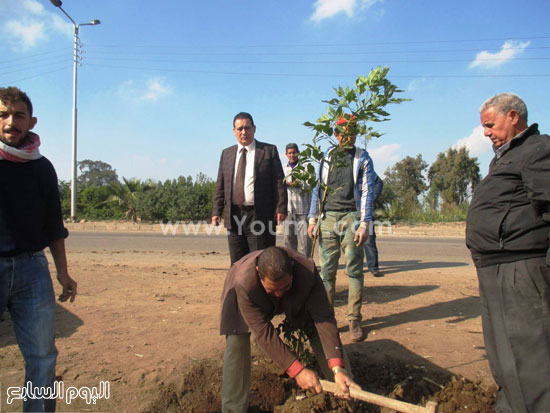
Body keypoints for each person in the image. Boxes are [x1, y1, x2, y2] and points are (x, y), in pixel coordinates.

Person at [466, 93, 550, 413]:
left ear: (513, 117)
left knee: (531, 360)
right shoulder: (505, 156)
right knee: (503, 358)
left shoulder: (538, 150)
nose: (485, 132)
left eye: (490, 125)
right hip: (495, 270)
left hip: (520, 269)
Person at [0, 86, 77, 412]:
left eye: (18, 115)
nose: (10, 121)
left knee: (43, 357)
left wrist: (62, 272)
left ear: (31, 122)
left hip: (33, 269)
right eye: (3, 114)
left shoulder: (42, 167)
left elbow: (54, 226)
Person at [220, 246, 359, 412]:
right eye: (272, 289)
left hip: (297, 290)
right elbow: (263, 333)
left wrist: (338, 367)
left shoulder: (307, 273)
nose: (279, 294)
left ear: (292, 269)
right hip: (243, 295)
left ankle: (346, 393)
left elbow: (324, 318)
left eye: (284, 287)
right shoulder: (244, 284)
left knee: (314, 325)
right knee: (237, 341)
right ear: (258, 273)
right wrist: (297, 371)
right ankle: (233, 409)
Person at [307, 114, 376, 342]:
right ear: (336, 135)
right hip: (328, 219)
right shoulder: (327, 156)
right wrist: (313, 219)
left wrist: (364, 224)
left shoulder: (363, 158)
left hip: (351, 217)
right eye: (346, 132)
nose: (350, 136)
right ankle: (327, 321)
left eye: (353, 132)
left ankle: (354, 319)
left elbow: (367, 191)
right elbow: (319, 188)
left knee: (354, 270)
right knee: (326, 272)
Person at [212, 112, 287, 265]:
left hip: (260, 215)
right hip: (234, 216)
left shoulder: (268, 151)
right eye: (240, 129)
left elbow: (279, 181)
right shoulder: (226, 154)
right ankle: (240, 289)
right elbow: (221, 184)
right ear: (234, 131)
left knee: (261, 261)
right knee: (238, 263)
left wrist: (281, 208)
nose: (244, 132)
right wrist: (216, 211)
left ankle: (261, 289)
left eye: (247, 128)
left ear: (254, 128)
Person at [283, 143, 312, 257]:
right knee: (289, 240)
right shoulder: (284, 169)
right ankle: (293, 262)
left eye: (294, 152)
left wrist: (299, 183)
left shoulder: (306, 166)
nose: (292, 155)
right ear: (286, 154)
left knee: (305, 240)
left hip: (303, 210)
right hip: (289, 210)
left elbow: (311, 183)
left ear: (298, 153)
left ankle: (306, 262)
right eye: (289, 153)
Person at [363, 171, 384, 277]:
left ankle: (373, 267)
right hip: (347, 210)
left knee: (369, 239)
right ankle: (354, 267)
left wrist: (370, 200)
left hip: (365, 209)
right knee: (350, 242)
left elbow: (378, 182)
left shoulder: (363, 166)